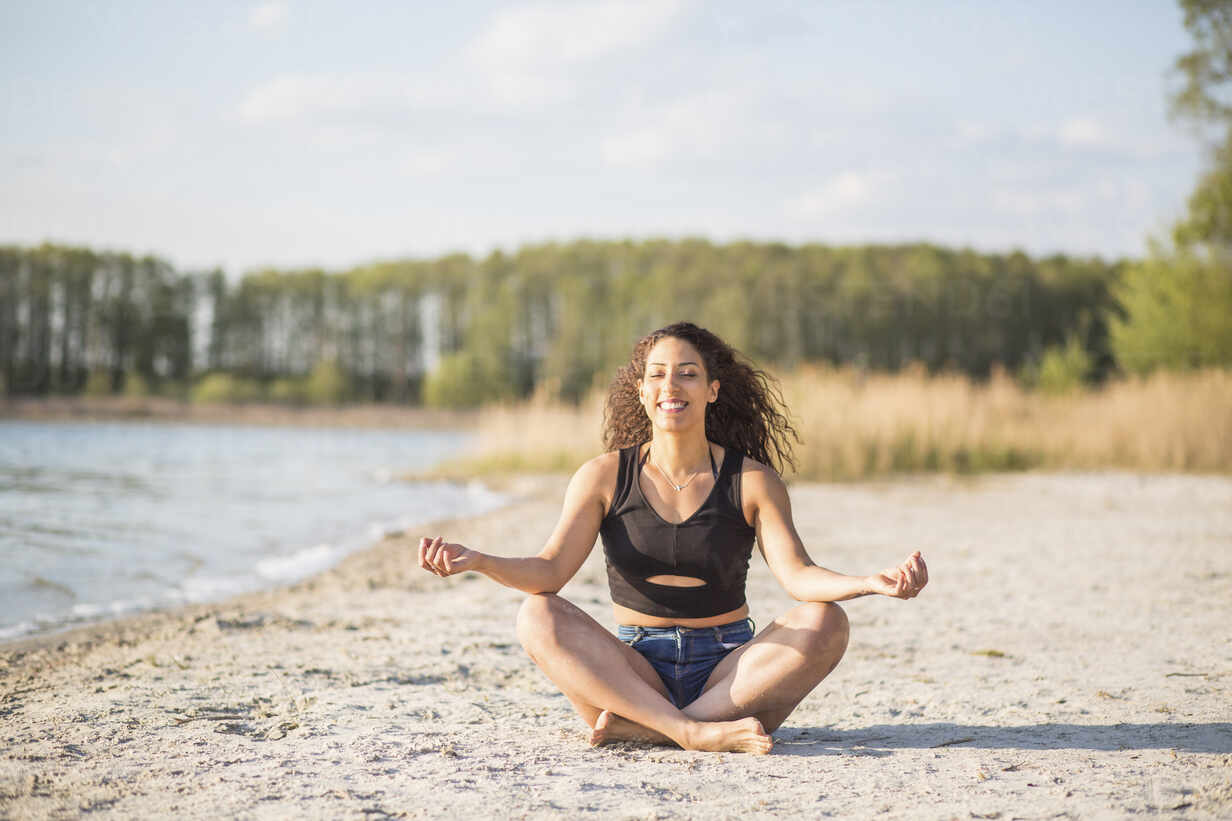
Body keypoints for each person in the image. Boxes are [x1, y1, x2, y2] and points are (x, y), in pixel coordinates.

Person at [418, 321, 928, 754]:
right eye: (658, 375)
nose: (671, 385)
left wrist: (870, 582)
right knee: (536, 613)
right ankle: (689, 731)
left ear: (712, 390)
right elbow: (550, 572)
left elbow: (797, 576)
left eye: (688, 374)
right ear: (641, 391)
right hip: (632, 670)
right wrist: (478, 560)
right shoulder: (601, 476)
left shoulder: (751, 480)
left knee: (826, 621)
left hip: (730, 675)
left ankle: (655, 727)